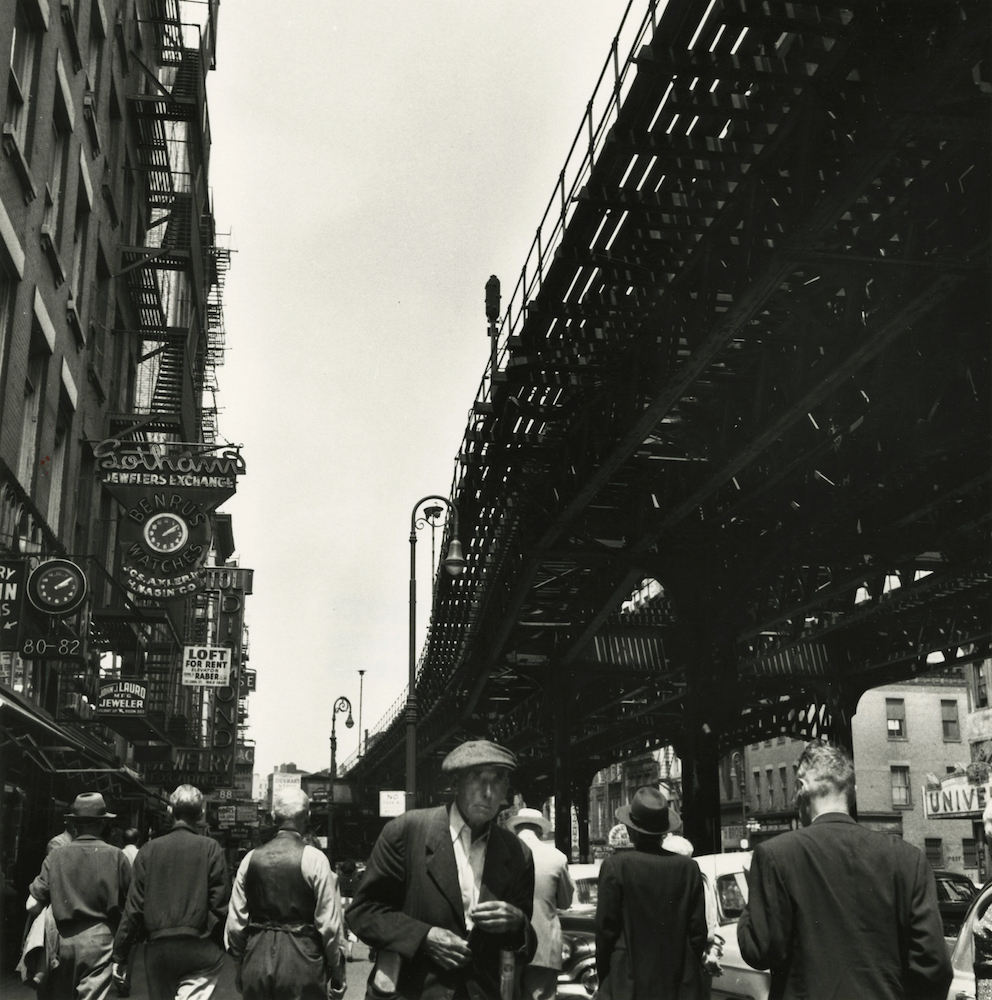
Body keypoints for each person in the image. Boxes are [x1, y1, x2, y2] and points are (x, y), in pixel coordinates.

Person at [738, 739, 952, 1000]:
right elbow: (934, 966)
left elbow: (759, 951)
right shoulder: (909, 859)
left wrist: (752, 906)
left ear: (802, 788)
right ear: (853, 792)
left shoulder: (775, 856)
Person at [347, 739, 537, 1000]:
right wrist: (424, 936)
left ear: (506, 788)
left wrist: (517, 923)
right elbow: (364, 912)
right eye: (478, 779)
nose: (489, 792)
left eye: (498, 780)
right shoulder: (406, 832)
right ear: (455, 784)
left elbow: (525, 941)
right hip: (414, 992)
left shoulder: (517, 853)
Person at [226, 787, 347, 1000]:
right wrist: (338, 973)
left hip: (256, 959)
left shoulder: (250, 859)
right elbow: (329, 927)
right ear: (307, 816)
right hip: (303, 961)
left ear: (274, 817)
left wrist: (240, 966)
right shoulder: (315, 860)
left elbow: (235, 926)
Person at [111, 785, 230, 1000]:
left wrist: (120, 954)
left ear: (169, 812)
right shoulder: (211, 848)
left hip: (159, 949)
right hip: (199, 947)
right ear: (201, 814)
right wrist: (216, 941)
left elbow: (133, 909)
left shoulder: (149, 850)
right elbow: (220, 904)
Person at [595, 786, 707, 999]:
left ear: (630, 831)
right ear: (664, 832)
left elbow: (605, 931)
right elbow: (698, 933)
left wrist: (606, 976)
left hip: (627, 985)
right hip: (678, 984)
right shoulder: (688, 868)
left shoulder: (616, 866)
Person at [27, 791, 132, 1000]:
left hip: (60, 942)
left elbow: (32, 905)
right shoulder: (117, 856)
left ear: (75, 824)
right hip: (101, 943)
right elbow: (130, 908)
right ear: (103, 823)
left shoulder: (56, 856)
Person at [506, 807, 574, 1000]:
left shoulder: (501, 855)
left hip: (507, 943)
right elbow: (565, 902)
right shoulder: (557, 858)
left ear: (516, 829)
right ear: (540, 831)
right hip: (544, 945)